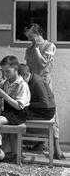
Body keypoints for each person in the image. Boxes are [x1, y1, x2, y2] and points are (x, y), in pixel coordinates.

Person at [24, 23, 65, 159]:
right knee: (31, 110)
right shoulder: (28, 50)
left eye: (31, 36)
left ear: (38, 33)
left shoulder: (50, 46)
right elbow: (28, 68)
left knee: (51, 113)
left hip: (45, 85)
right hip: (31, 85)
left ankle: (57, 148)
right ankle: (39, 142)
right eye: (28, 37)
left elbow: (43, 64)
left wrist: (36, 49)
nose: (30, 39)